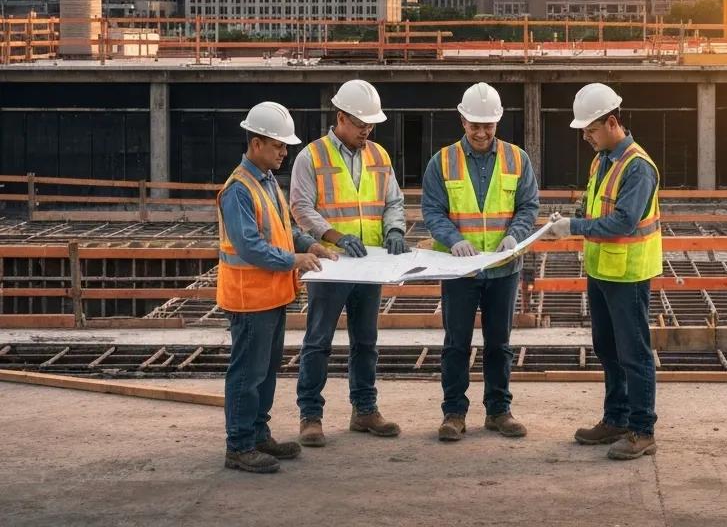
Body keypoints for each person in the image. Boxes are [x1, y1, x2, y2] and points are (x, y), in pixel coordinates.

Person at [218, 100, 337, 473]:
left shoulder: (266, 181)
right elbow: (250, 245)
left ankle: (257, 434)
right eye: (279, 146)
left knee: (265, 372)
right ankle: (238, 445)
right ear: (257, 144)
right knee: (247, 374)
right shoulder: (238, 189)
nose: (285, 153)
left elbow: (284, 230)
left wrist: (309, 245)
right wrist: (294, 260)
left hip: (270, 297)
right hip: (249, 298)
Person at [290, 79, 408, 445]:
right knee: (318, 341)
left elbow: (393, 201)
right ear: (340, 118)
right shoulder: (312, 156)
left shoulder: (379, 156)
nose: (366, 131)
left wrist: (395, 230)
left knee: (366, 341)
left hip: (368, 264)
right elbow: (300, 206)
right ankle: (310, 415)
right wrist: (334, 236)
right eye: (360, 124)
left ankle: (365, 410)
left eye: (371, 125)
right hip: (333, 264)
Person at [547, 82, 661, 460]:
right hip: (601, 272)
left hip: (627, 276)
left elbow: (623, 223)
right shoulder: (603, 160)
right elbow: (595, 209)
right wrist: (570, 219)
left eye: (591, 130)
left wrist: (574, 229)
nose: (586, 137)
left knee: (634, 354)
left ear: (612, 122)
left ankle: (642, 430)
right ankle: (616, 419)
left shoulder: (637, 167)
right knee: (608, 350)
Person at [421, 82, 540, 442]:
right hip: (461, 271)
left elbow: (528, 206)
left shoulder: (518, 159)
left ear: (498, 122)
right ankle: (454, 413)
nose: (481, 132)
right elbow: (432, 210)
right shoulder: (442, 161)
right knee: (456, 343)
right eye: (475, 124)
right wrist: (454, 240)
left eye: (487, 125)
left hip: (503, 269)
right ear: (462, 120)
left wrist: (514, 236)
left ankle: (498, 411)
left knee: (499, 343)